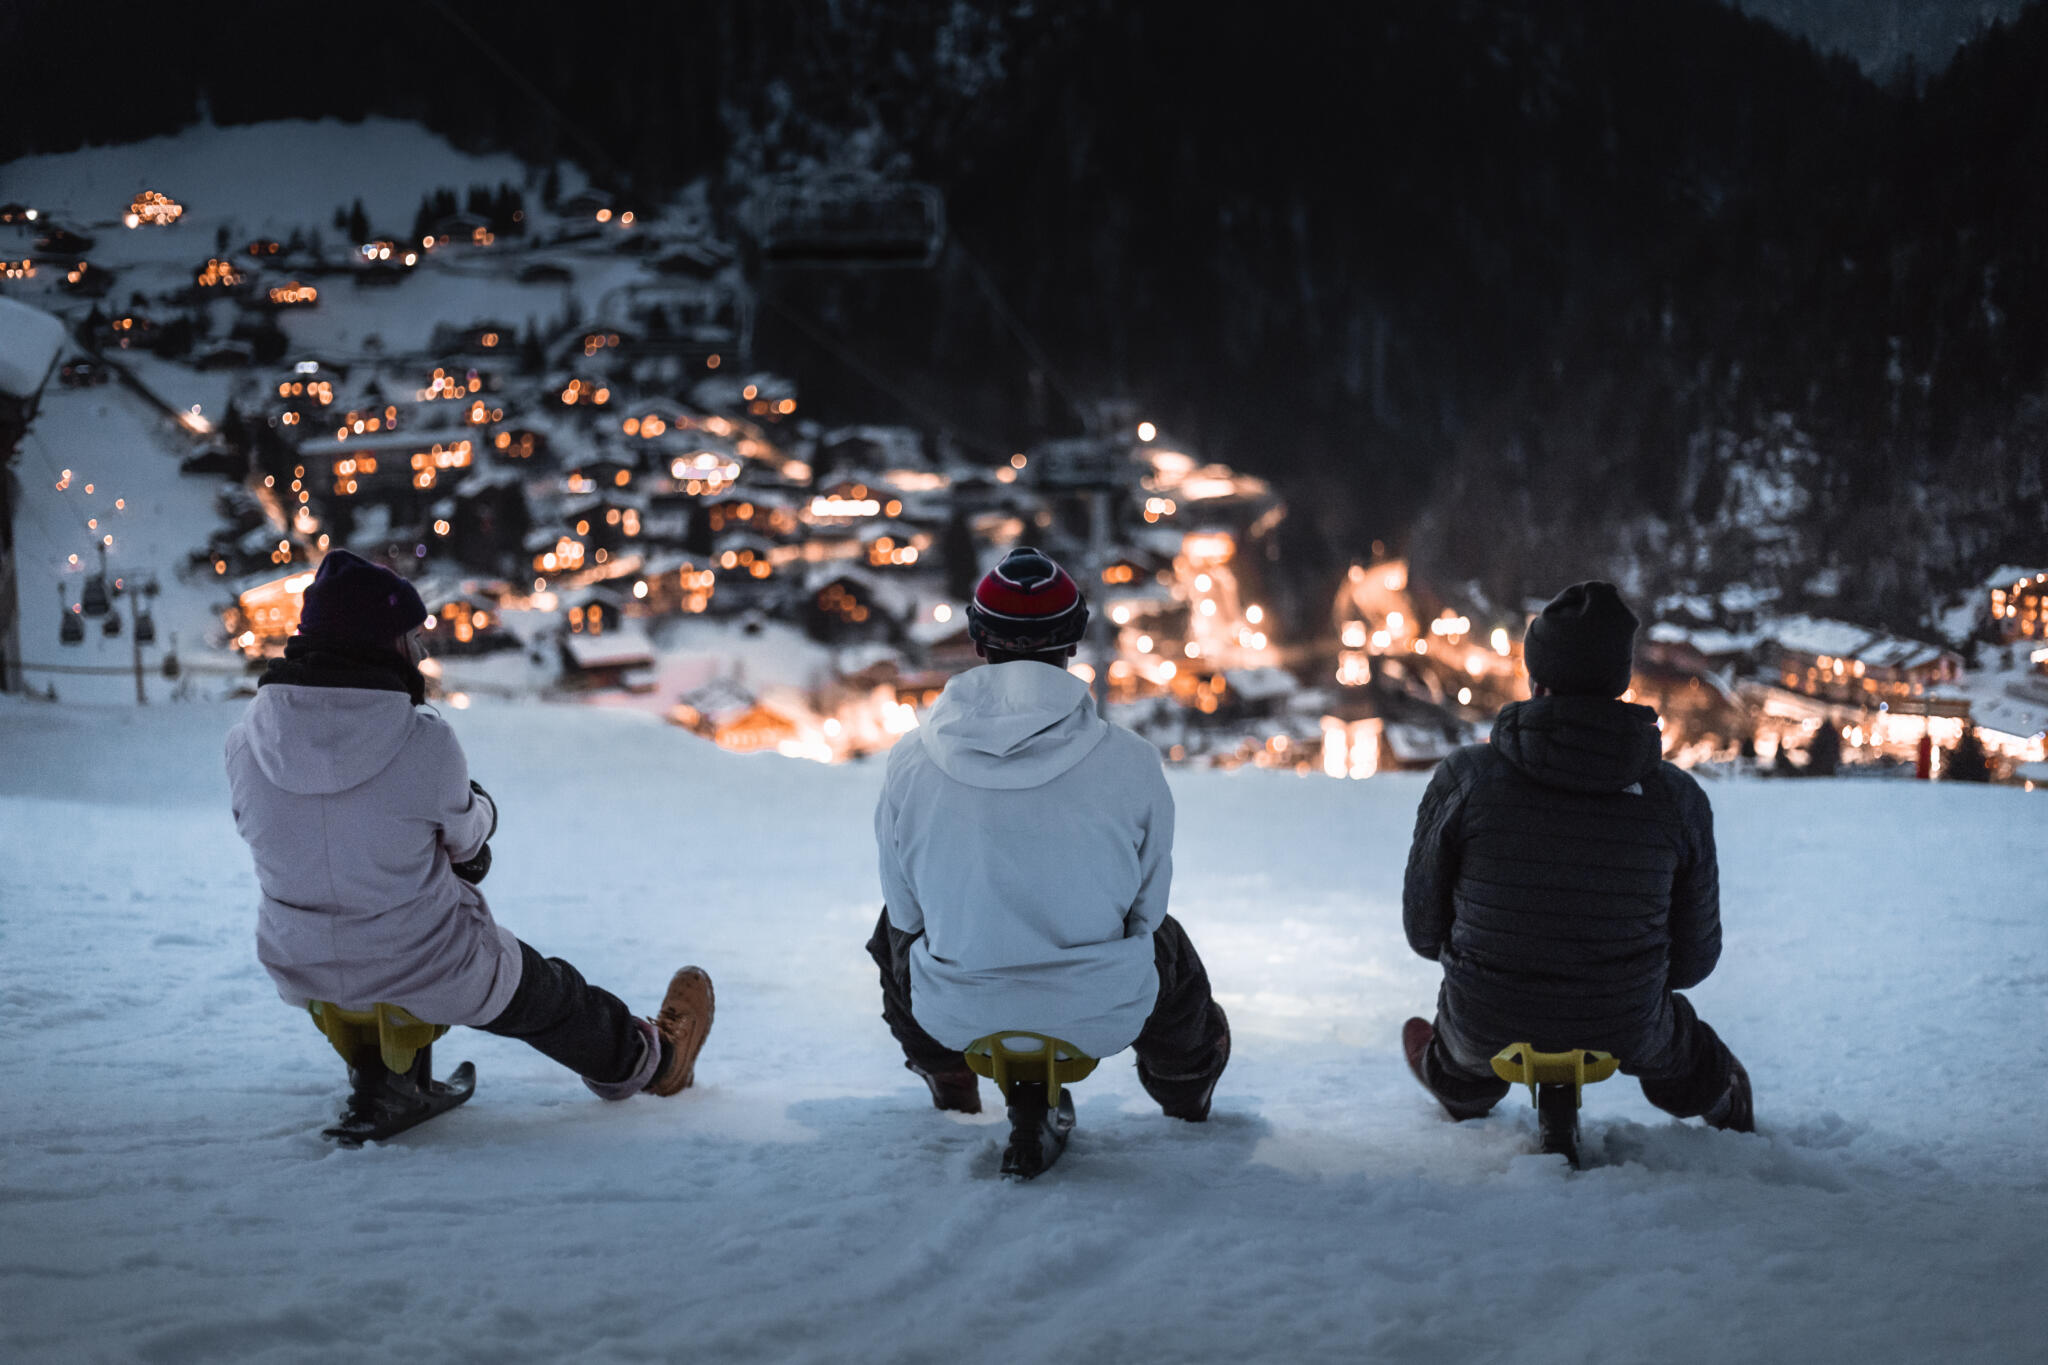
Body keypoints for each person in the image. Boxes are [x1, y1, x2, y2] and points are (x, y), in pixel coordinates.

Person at [225, 550, 712, 1105]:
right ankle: (655, 1063)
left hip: (300, 962)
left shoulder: (244, 741)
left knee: (385, 924)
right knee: (553, 995)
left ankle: (385, 1076)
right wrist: (480, 807)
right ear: (384, 644)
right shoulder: (422, 743)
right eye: (412, 638)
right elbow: (469, 841)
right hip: (425, 964)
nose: (421, 651)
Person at [867, 547, 1230, 1121]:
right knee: (1172, 952)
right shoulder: (1132, 762)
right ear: (1074, 640)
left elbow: (906, 911)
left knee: (889, 933)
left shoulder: (910, 761)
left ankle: (948, 1077)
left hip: (954, 1011)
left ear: (978, 640)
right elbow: (1148, 907)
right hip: (1105, 1006)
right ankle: (1185, 1088)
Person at [1400, 580, 1753, 1132]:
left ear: (1535, 678)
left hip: (1486, 1018)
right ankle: (1721, 1096)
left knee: (1467, 1037)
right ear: (1620, 680)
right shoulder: (1677, 799)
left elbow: (1424, 932)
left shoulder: (1465, 779)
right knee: (1682, 1050)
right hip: (1628, 1021)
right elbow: (1693, 961)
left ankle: (1460, 1082)